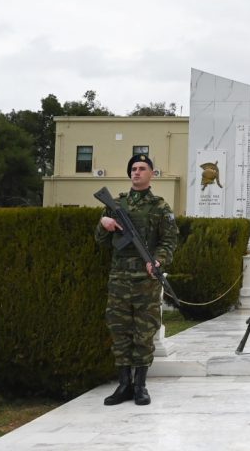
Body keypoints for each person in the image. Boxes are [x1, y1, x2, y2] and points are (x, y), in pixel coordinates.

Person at [95, 153, 177, 406]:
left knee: (144, 332)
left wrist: (158, 261)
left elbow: (169, 241)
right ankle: (124, 385)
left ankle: (140, 385)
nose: (136, 172)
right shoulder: (116, 204)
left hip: (146, 278)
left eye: (142, 168)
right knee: (119, 331)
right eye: (133, 168)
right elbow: (100, 239)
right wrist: (104, 222)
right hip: (119, 278)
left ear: (152, 173)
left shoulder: (160, 207)